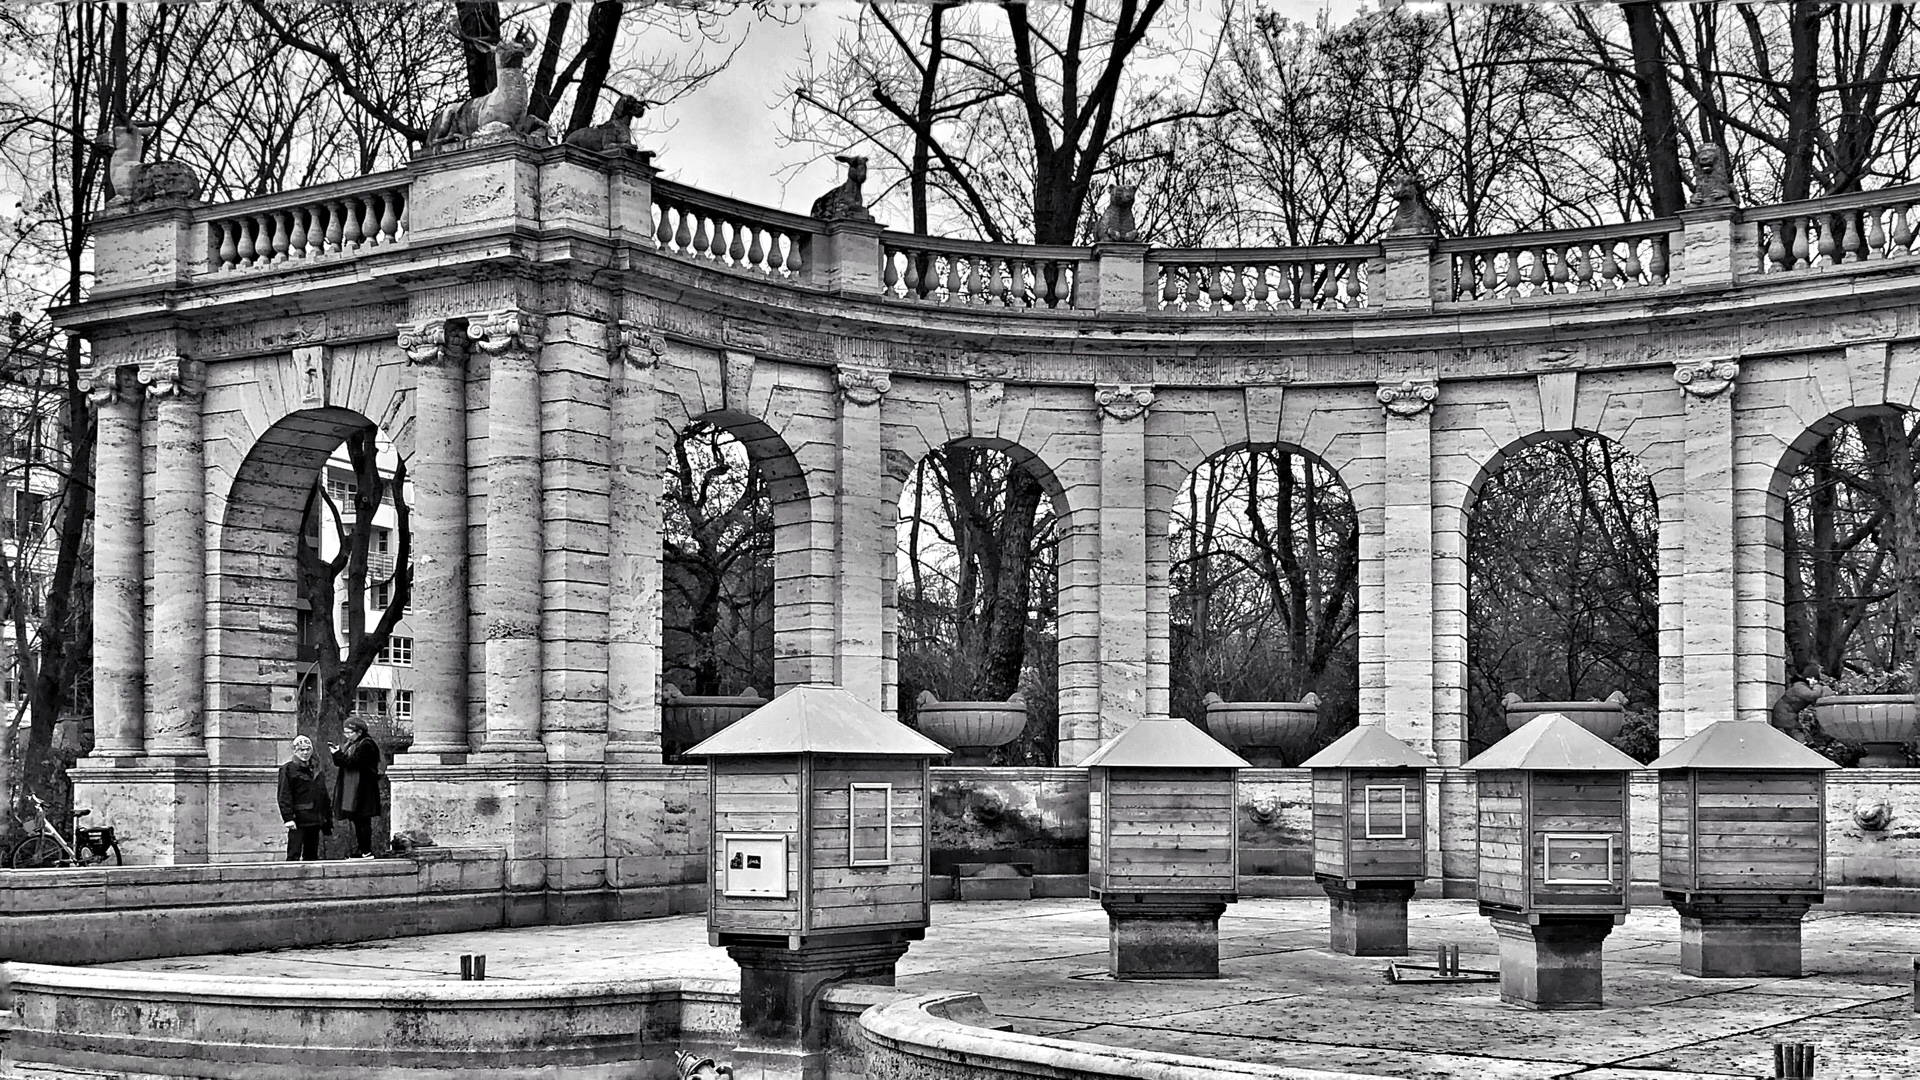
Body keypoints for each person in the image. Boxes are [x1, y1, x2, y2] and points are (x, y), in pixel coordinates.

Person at [329, 718, 382, 858]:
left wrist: (337, 754)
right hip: (354, 788)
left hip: (363, 789)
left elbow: (353, 762)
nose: (347, 735)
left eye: (349, 732)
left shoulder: (366, 745)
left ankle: (366, 850)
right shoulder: (352, 744)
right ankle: (362, 849)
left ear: (358, 732)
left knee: (363, 819)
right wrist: (336, 754)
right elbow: (341, 762)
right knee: (357, 819)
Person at [277, 735, 332, 860]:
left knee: (312, 855)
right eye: (301, 750)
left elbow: (323, 795)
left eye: (307, 749)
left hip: (315, 818)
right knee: (294, 854)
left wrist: (327, 818)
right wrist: (288, 818)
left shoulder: (316, 769)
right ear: (295, 751)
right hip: (298, 819)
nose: (305, 753)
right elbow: (284, 795)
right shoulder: (288, 769)